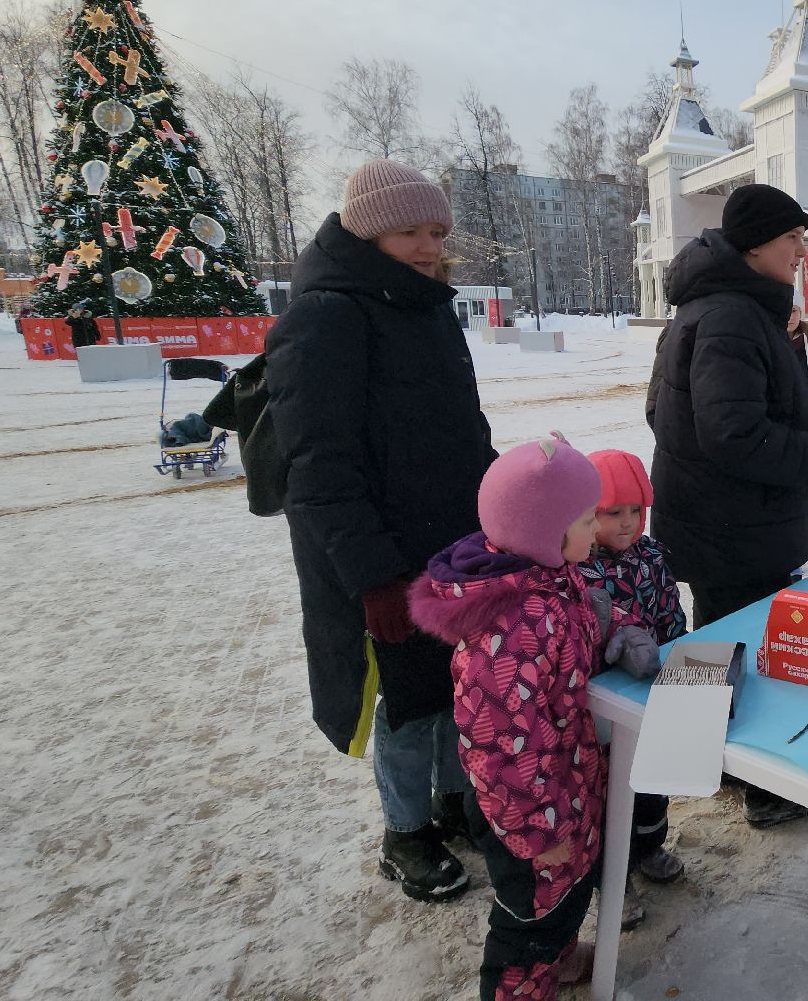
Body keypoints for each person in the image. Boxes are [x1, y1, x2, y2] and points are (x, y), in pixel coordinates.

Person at [266, 158, 499, 903]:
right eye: (409, 232)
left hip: (452, 545)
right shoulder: (325, 316)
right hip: (386, 554)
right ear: (368, 231)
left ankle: (456, 804)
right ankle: (406, 834)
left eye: (436, 231)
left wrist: (504, 505)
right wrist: (373, 578)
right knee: (406, 704)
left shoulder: (424, 307)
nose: (430, 246)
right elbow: (319, 468)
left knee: (459, 687)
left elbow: (464, 431)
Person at [648, 182, 808, 826]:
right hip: (731, 526)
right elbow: (732, 435)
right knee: (731, 649)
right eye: (792, 238)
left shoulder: (735, 308)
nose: (802, 250)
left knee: (718, 646)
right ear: (754, 246)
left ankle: (705, 763)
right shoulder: (729, 317)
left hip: (729, 522)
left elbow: (765, 407)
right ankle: (754, 785)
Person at [410, 435, 645, 1000]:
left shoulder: (549, 578)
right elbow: (499, 753)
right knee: (527, 929)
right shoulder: (511, 633)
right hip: (528, 812)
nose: (597, 531)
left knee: (564, 898)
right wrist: (536, 835)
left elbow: (576, 633)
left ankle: (559, 959)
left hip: (566, 779)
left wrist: (617, 630)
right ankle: (526, 979)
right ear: (545, 529)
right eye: (588, 519)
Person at [579, 448, 689, 922]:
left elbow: (669, 608)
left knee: (652, 778)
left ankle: (649, 848)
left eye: (634, 512)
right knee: (611, 789)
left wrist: (678, 649)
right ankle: (614, 883)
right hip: (606, 698)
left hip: (654, 685)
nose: (626, 524)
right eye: (612, 513)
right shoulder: (579, 569)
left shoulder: (650, 555)